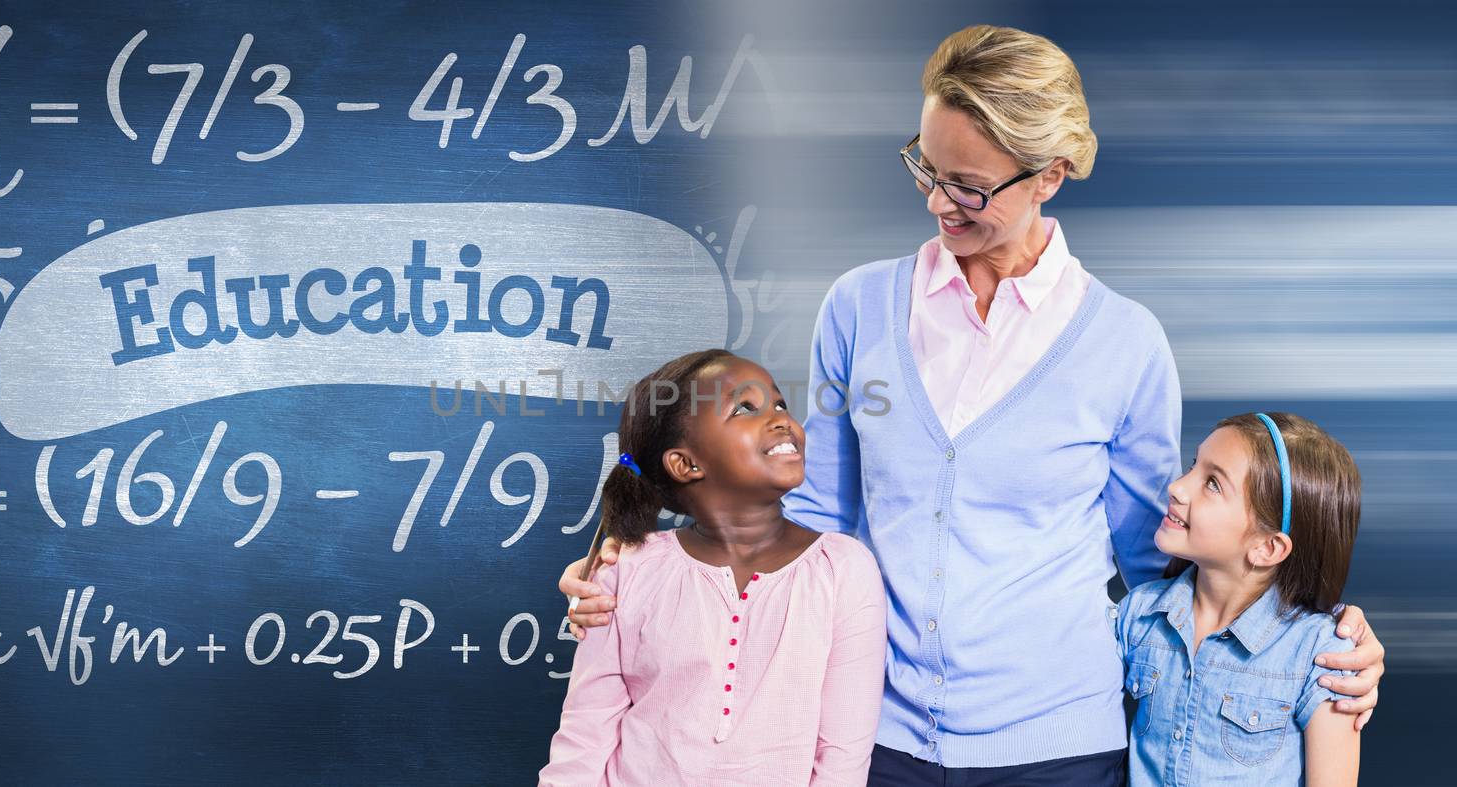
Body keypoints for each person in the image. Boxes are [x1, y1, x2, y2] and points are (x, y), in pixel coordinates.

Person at [561, 24, 1385, 785]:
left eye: (968, 186)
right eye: (925, 166)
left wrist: (1314, 639)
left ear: (1050, 176)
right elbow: (809, 517)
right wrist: (633, 579)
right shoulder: (858, 307)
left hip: (1061, 746)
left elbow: (1161, 568)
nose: (936, 202)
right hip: (874, 732)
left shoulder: (1125, 343)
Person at [539, 350, 887, 786]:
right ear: (686, 464)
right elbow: (584, 739)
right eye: (745, 408)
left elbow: (842, 758)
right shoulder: (626, 570)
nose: (781, 419)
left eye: (780, 404)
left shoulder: (844, 570)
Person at [1118, 412, 1361, 785]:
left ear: (1267, 547)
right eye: (1193, 467)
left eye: (1212, 484)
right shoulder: (1137, 615)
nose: (1177, 488)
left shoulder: (1321, 653)